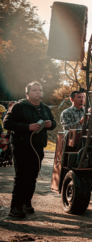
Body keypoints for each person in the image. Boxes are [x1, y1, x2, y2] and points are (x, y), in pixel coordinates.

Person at [2, 81, 57, 217]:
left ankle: (27, 202)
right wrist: (27, 127)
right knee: (21, 177)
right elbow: (7, 123)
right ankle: (16, 207)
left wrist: (51, 124)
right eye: (34, 90)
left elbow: (54, 122)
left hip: (38, 147)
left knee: (32, 176)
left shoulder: (45, 108)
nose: (38, 92)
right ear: (27, 93)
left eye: (40, 90)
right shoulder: (18, 107)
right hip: (21, 146)